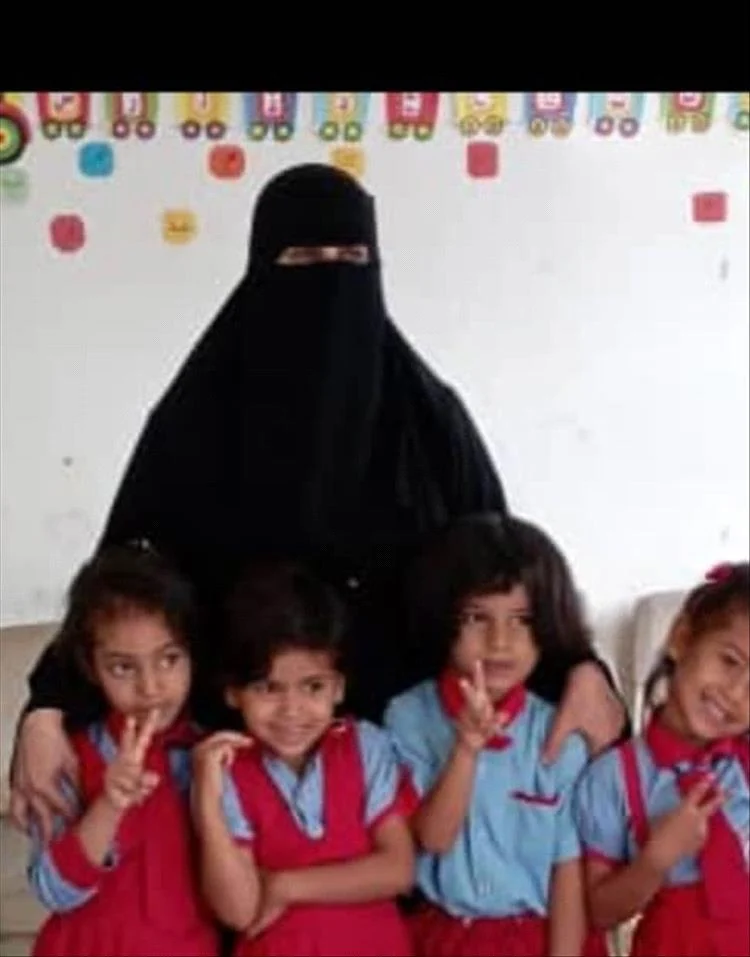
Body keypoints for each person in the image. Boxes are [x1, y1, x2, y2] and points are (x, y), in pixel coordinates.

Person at [10, 162, 625, 840]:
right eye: (303, 258)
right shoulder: (195, 422)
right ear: (260, 269)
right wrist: (45, 707)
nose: (329, 280)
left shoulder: (427, 420)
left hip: (407, 768)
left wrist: (580, 666)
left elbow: (500, 568)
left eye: (351, 258)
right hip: (236, 773)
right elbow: (124, 582)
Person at [383, 513, 609, 957]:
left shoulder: (559, 731)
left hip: (538, 936)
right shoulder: (408, 717)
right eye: (476, 617)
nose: (500, 641)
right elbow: (433, 839)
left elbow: (567, 868)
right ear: (443, 618)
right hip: (446, 935)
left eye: (522, 619)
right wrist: (466, 750)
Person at [192, 562, 415, 956]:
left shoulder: (365, 746)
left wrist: (285, 886)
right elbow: (239, 911)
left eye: (312, 687)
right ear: (233, 692)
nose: (292, 710)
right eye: (268, 688)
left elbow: (398, 870)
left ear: (339, 687)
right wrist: (206, 804)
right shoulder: (228, 769)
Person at [26, 544, 219, 957]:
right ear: (90, 667)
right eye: (123, 667)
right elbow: (52, 890)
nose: (150, 687)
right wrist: (110, 805)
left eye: (169, 659)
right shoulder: (68, 757)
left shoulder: (211, 754)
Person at [573, 561, 749, 957]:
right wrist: (656, 858)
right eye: (729, 661)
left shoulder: (743, 765)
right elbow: (599, 912)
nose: (737, 693)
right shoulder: (611, 778)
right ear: (682, 638)